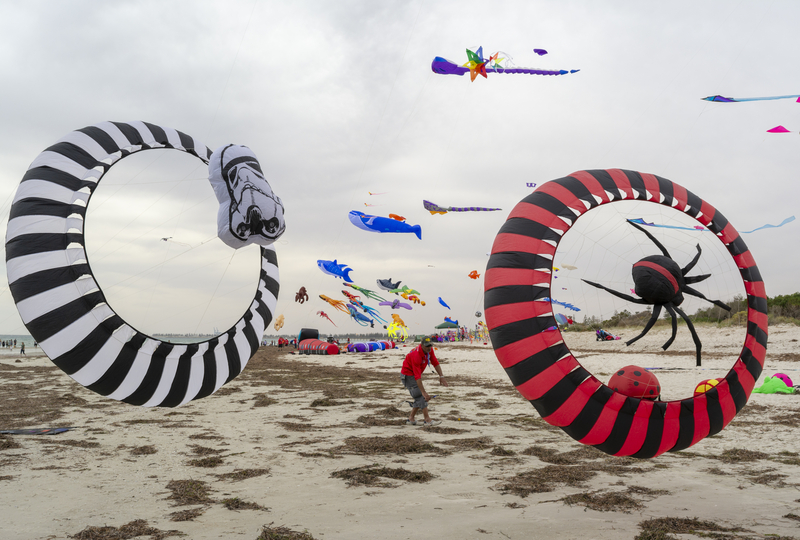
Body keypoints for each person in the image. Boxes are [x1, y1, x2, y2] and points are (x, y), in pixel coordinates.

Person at [400, 337, 448, 426]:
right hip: (408, 375)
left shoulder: (430, 350)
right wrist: (423, 392)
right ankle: (427, 420)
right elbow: (417, 376)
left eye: (430, 345)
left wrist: (441, 376)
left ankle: (411, 419)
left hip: (414, 375)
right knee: (420, 396)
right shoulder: (416, 355)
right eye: (427, 346)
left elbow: (435, 362)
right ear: (421, 345)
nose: (429, 348)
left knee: (419, 396)